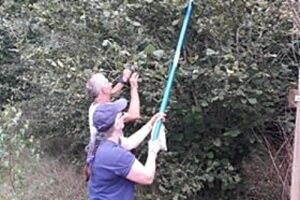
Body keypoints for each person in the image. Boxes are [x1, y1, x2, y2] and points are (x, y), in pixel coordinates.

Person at [88, 100, 166, 200]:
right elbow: (147, 177)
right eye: (121, 114)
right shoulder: (116, 155)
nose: (124, 115)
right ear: (116, 124)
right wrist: (153, 151)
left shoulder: (99, 143)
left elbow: (130, 143)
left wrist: (150, 125)